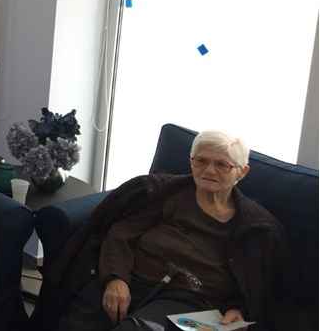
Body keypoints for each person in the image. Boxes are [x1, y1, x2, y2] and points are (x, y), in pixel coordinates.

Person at [52, 130, 291, 331]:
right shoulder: (166, 193)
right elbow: (121, 233)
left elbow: (263, 282)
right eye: (201, 161)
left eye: (222, 165)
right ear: (191, 161)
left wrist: (239, 308)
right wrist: (116, 278)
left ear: (242, 172)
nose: (209, 171)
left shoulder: (258, 226)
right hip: (131, 279)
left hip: (189, 301)